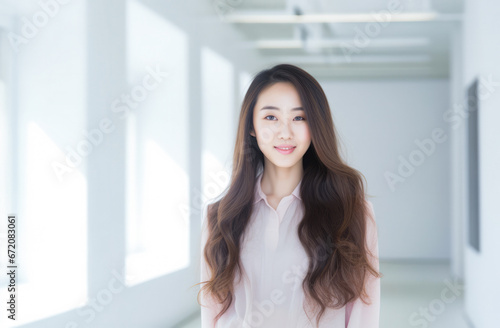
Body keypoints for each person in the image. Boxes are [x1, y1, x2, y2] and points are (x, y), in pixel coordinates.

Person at [196, 64, 381, 327]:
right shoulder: (219, 216)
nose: (285, 132)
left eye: (299, 118)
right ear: (252, 126)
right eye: (271, 117)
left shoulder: (353, 212)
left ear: (316, 126)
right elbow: (212, 314)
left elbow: (364, 313)